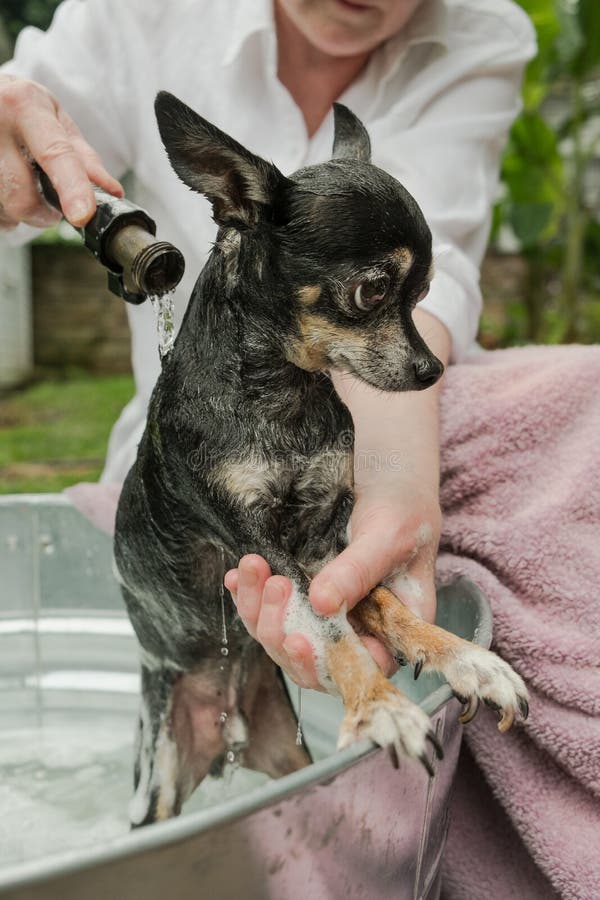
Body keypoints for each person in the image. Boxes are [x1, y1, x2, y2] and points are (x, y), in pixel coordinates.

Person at [9, 3, 595, 898]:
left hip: (381, 431)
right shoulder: (137, 11)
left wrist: (395, 491)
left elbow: (428, 321)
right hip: (189, 471)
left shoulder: (484, 31)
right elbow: (32, 115)